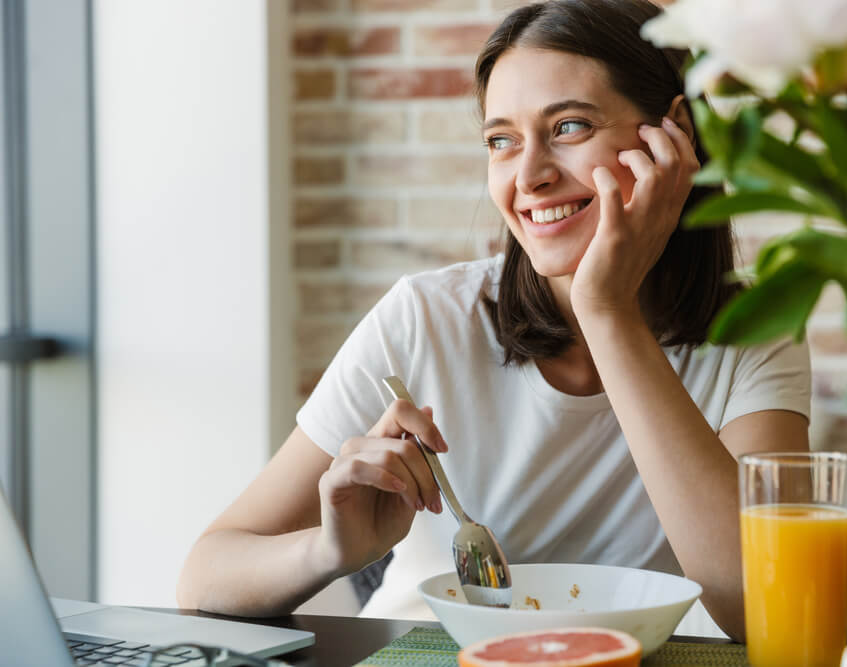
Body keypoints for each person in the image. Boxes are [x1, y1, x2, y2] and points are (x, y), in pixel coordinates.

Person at [176, 0, 810, 641]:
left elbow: (762, 608)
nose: (528, 176)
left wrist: (606, 310)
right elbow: (204, 577)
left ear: (674, 136)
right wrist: (330, 553)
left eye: (568, 127)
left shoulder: (754, 329)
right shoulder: (425, 318)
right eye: (502, 140)